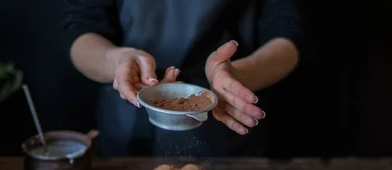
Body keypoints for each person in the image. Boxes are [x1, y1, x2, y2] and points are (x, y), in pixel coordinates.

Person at [63, 0, 305, 157]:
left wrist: (238, 75)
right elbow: (82, 31)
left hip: (221, 116)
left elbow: (287, 34)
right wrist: (120, 60)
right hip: (125, 120)